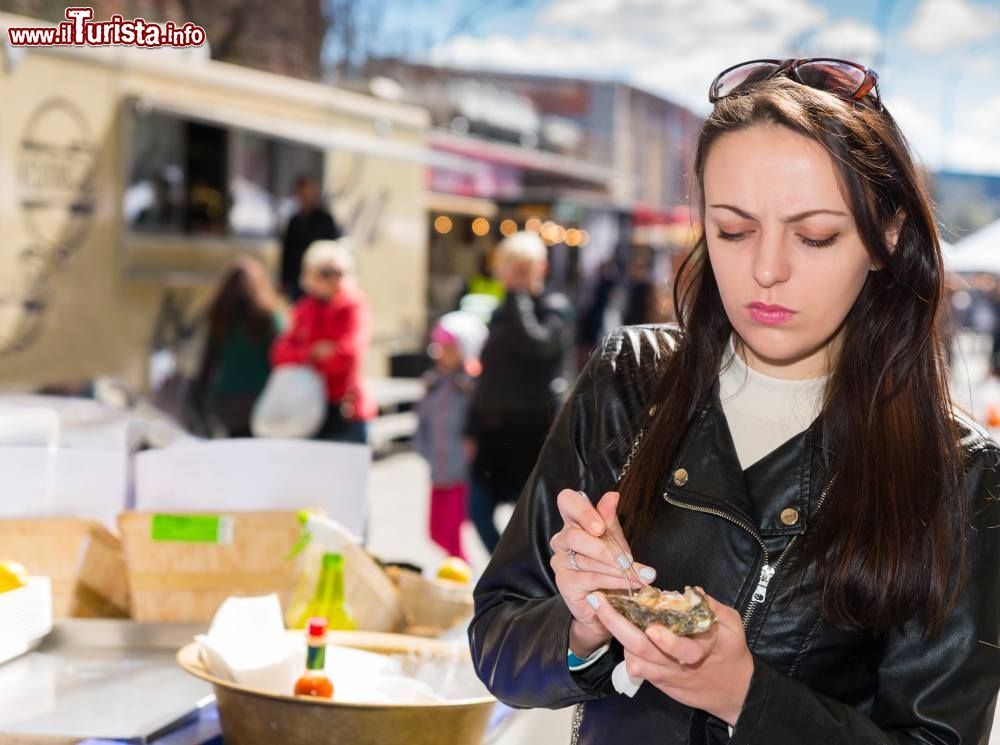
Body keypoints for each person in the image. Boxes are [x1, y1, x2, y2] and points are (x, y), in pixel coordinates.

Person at [468, 59, 1000, 744]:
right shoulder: (629, 382)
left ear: (887, 236)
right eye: (733, 230)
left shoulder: (960, 476)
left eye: (815, 236)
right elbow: (497, 636)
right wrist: (585, 625)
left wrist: (747, 697)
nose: (767, 270)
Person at [465, 231, 574, 553]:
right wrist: (471, 427)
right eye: (509, 267)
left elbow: (536, 344)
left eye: (520, 267)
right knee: (478, 509)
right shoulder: (503, 310)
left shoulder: (553, 307)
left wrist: (518, 296)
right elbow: (488, 374)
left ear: (539, 268)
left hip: (531, 430)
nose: (511, 275)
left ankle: (521, 580)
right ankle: (507, 569)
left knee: (529, 518)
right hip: (493, 429)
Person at [271, 238, 375, 444]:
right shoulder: (304, 309)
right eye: (325, 273)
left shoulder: (354, 306)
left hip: (346, 409)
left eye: (340, 272)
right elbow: (279, 354)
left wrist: (308, 358)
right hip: (308, 409)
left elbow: (349, 354)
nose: (334, 279)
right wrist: (312, 353)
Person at [414, 311, 488, 561]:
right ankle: (457, 570)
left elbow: (479, 421)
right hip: (438, 466)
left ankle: (460, 577)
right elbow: (422, 418)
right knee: (435, 531)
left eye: (448, 348)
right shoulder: (433, 381)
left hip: (461, 470)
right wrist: (422, 447)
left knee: (452, 531)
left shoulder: (471, 384)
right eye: (439, 347)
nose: (441, 353)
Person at [192, 257, 285, 437]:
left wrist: (200, 397)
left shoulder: (219, 319)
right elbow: (282, 359)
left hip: (226, 403)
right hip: (262, 399)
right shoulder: (270, 318)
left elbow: (207, 362)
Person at [280, 175, 342, 301]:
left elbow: (333, 249)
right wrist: (284, 280)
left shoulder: (325, 220)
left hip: (319, 279)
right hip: (296, 279)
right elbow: (287, 252)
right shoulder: (294, 221)